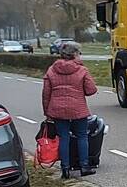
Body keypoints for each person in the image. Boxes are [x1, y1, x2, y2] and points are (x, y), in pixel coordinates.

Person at [42, 41, 98, 179]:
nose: (80, 56)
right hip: (77, 108)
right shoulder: (81, 70)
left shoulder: (51, 70)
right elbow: (91, 90)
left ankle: (65, 169)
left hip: (57, 110)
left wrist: (47, 112)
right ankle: (84, 166)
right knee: (82, 136)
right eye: (79, 53)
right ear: (74, 54)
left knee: (63, 138)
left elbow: (46, 93)